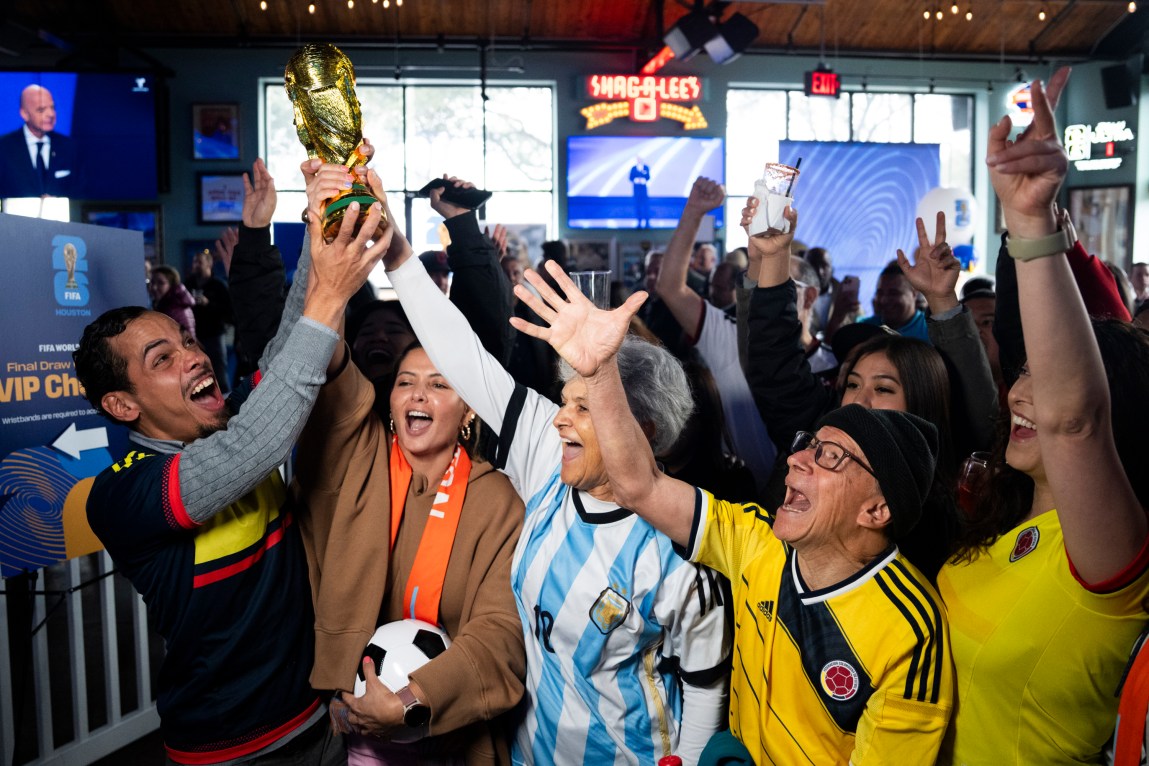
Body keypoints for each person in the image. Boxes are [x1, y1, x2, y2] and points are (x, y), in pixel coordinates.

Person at [511, 261, 954, 764]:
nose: (796, 459)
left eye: (830, 457)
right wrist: (600, 372)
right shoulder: (756, 543)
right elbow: (640, 485)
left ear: (877, 509)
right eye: (809, 444)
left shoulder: (911, 631)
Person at [385, 191, 731, 764]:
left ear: (639, 428)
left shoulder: (681, 543)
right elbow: (462, 356)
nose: (560, 417)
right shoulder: (550, 456)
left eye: (584, 407)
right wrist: (395, 249)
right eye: (564, 400)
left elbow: (704, 686)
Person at [73, 187, 390, 764]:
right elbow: (255, 444)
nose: (193, 356)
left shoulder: (229, 419)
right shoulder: (123, 492)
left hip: (317, 717)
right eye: (161, 360)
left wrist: (323, 229)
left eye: (186, 340)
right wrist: (333, 294)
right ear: (122, 406)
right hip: (229, 747)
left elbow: (291, 348)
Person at [264, 163, 527, 765]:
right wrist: (325, 236)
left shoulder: (497, 500)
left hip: (448, 728)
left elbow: (498, 628)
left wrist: (415, 697)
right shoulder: (357, 459)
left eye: (438, 384)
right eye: (406, 382)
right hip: (348, 718)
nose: (416, 394)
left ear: (468, 412)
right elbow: (326, 360)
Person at [937, 67, 1149, 765]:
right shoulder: (1001, 517)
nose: (1019, 395)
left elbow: (1072, 422)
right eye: (1020, 374)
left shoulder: (1106, 556)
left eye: (1044, 381)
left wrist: (1030, 223)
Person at [0, 83, 80, 197]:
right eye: (41, 110)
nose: (51, 114)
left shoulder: (69, 146)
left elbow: (82, 192)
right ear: (24, 114)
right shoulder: (3, 147)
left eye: (52, 108)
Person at [186, 249, 233, 394]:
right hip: (193, 337)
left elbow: (229, 312)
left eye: (200, 262)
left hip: (214, 335)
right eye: (195, 262)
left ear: (209, 263)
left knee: (219, 371)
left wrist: (208, 303)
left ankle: (226, 403)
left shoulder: (219, 286)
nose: (196, 265)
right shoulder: (187, 284)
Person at [858, 261, 931, 342]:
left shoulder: (932, 331)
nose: (884, 300)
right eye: (880, 293)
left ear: (914, 294)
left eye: (893, 293)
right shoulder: (864, 329)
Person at [148, 264, 196, 339]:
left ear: (172, 285)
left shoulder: (175, 307)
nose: (154, 287)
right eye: (152, 282)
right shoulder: (163, 304)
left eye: (161, 283)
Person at [630, 156, 651, 228]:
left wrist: (643, 180)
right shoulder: (633, 168)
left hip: (643, 190)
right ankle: (639, 222)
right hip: (636, 190)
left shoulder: (646, 167)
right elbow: (630, 177)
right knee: (638, 206)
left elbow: (648, 177)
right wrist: (636, 180)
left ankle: (647, 223)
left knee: (645, 206)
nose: (639, 160)